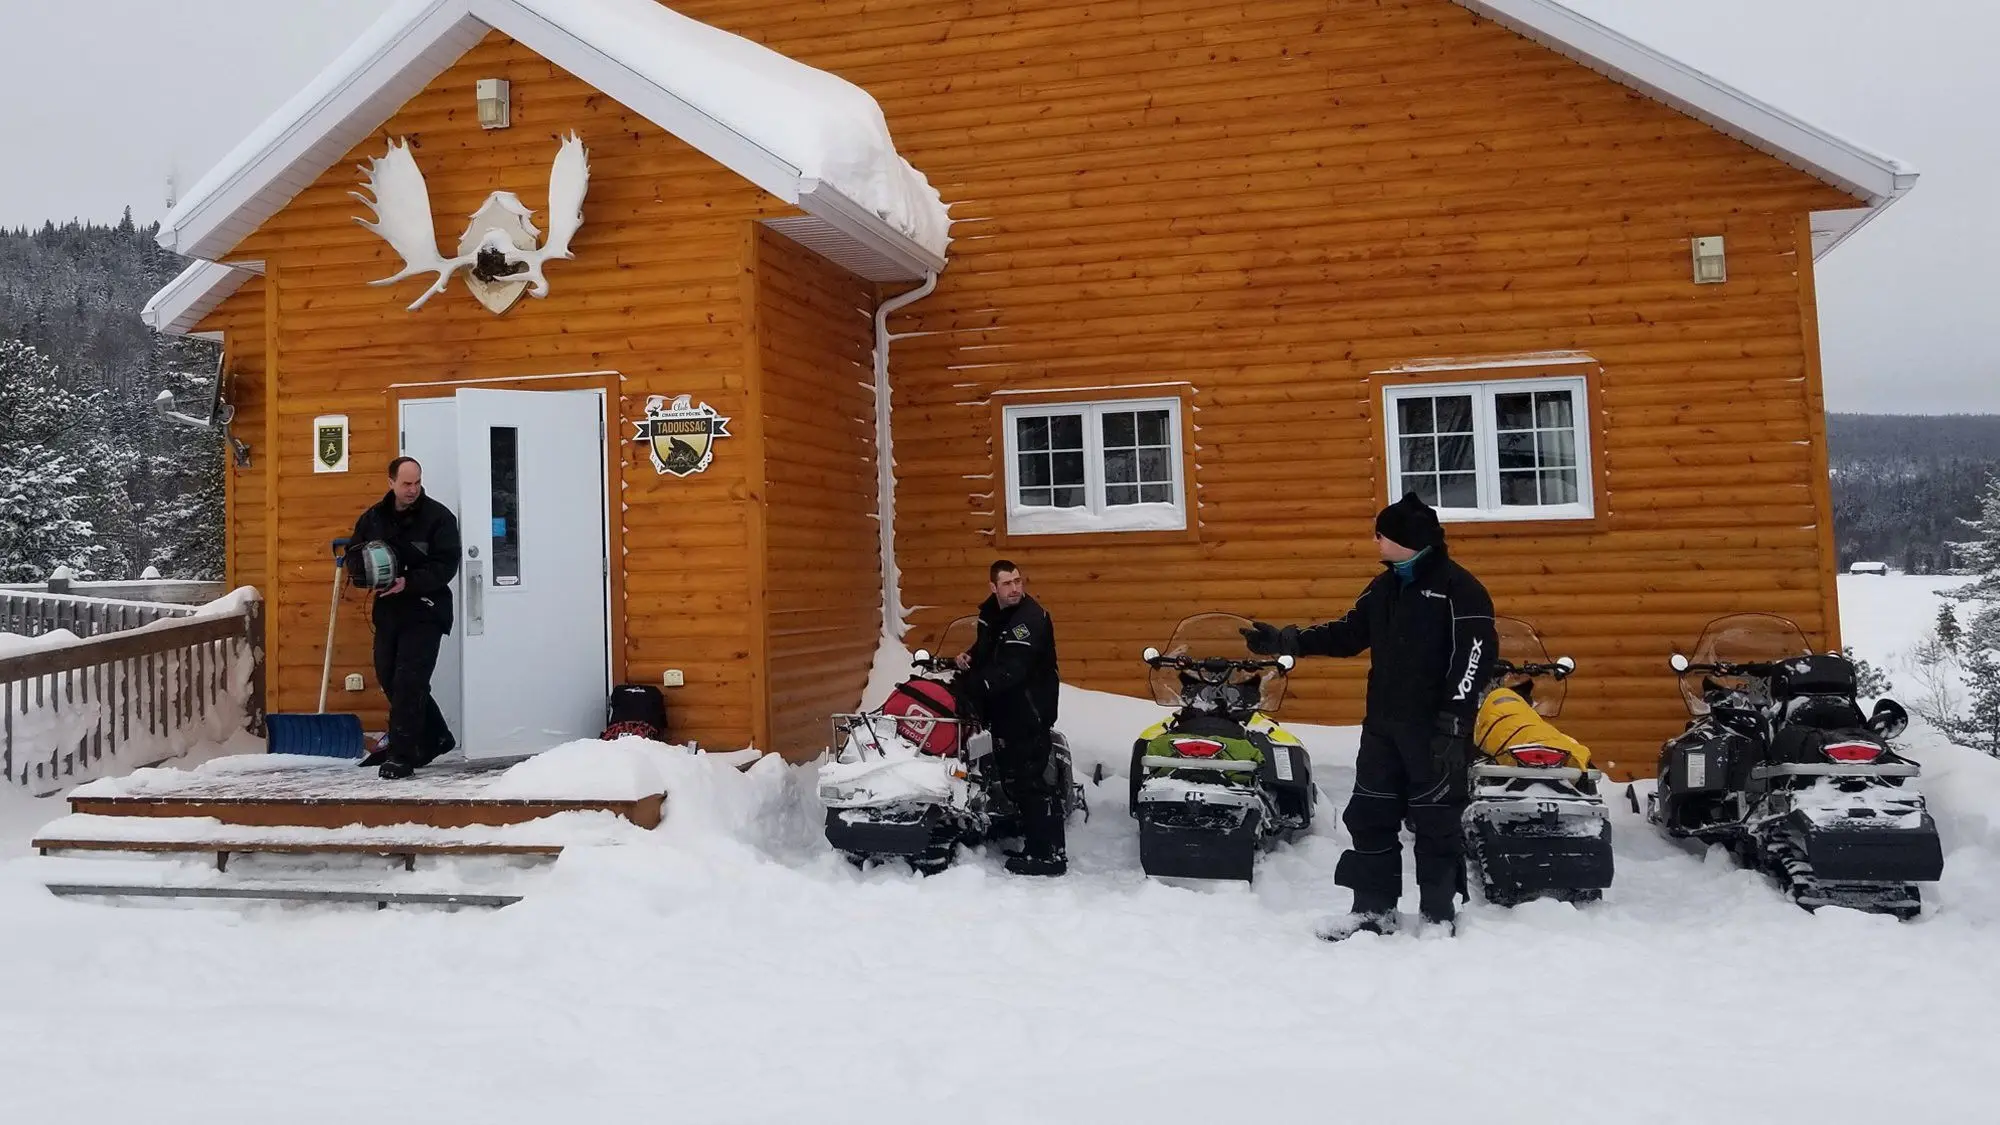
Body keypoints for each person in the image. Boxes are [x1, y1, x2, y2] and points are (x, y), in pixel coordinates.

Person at [1243, 492, 1496, 937]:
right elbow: (1347, 633)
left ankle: (1439, 915)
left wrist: (1454, 720)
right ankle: (1373, 910)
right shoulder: (1384, 587)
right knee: (1369, 816)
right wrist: (1287, 641)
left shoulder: (1460, 590)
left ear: (1406, 538)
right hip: (1382, 728)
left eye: (1381, 533)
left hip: (1436, 731)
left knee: (1436, 823)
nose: (1375, 540)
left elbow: (1473, 660)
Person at [351, 457, 462, 779]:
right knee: (388, 677)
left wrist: (409, 581)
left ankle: (402, 754)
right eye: (406, 484)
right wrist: (362, 573)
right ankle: (438, 736)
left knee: (409, 681)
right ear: (391, 483)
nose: (412, 490)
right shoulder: (374, 518)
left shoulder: (438, 518)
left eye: (417, 483)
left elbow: (447, 564)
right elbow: (356, 556)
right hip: (388, 609)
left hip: (426, 607)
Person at [957, 559, 1065, 876]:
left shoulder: (1029, 619)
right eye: (1007, 583)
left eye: (1018, 581)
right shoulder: (994, 613)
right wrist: (969, 658)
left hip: (1028, 711)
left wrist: (976, 684)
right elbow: (989, 648)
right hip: (1006, 711)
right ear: (994, 587)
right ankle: (1032, 842)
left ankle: (1047, 855)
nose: (1015, 588)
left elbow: (1012, 668)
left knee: (1032, 781)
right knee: (1015, 780)